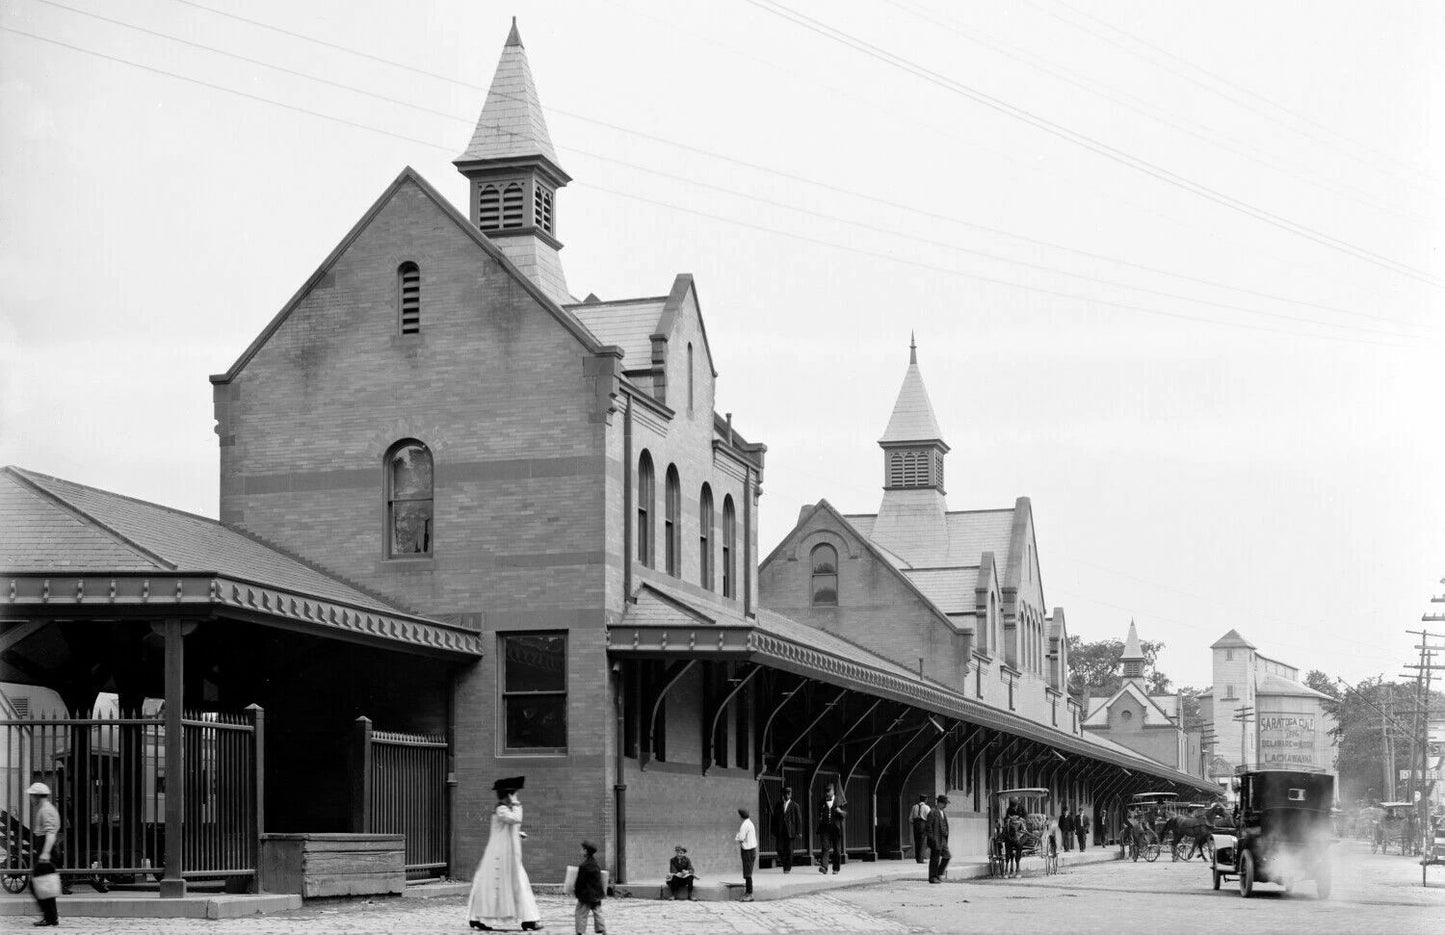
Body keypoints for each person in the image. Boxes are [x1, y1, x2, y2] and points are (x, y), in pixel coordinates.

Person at [467, 776, 544, 932]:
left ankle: (480, 918)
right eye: (514, 793)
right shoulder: (501, 809)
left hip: (506, 854)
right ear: (509, 795)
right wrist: (516, 802)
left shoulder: (504, 810)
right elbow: (516, 818)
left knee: (501, 884)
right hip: (500, 855)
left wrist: (518, 834)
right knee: (497, 884)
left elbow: (507, 828)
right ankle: (527, 920)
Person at [28, 782, 60, 928]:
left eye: (31, 795)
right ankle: (51, 917)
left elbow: (50, 833)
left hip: (46, 851)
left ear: (37, 796)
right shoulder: (45, 809)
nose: (30, 798)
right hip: (45, 850)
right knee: (45, 885)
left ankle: (50, 917)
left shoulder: (46, 810)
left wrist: (45, 853)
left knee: (37, 885)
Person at [573, 841, 605, 935]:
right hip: (596, 894)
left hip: (585, 895)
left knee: (580, 913)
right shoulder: (596, 864)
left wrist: (577, 892)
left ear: (586, 851)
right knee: (597, 912)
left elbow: (580, 882)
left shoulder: (583, 866)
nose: (580, 850)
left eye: (582, 849)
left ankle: (580, 931)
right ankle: (602, 929)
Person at [815, 785, 846, 875]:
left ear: (833, 791)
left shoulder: (839, 800)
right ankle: (824, 867)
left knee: (837, 849)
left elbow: (845, 814)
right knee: (825, 847)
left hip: (836, 829)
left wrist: (840, 812)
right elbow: (819, 812)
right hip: (825, 828)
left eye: (829, 791)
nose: (827, 793)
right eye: (826, 791)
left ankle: (836, 868)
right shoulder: (822, 801)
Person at [774, 787, 802, 873]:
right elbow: (774, 818)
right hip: (780, 830)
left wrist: (799, 831)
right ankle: (784, 863)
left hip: (790, 831)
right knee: (779, 849)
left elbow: (798, 819)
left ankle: (787, 868)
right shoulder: (778, 805)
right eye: (785, 794)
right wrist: (773, 830)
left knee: (789, 850)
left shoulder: (795, 805)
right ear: (783, 795)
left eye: (788, 794)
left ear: (790, 794)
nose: (787, 795)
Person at [925, 794, 951, 883]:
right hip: (936, 839)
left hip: (943, 839)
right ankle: (932, 877)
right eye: (944, 803)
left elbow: (944, 824)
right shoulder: (933, 812)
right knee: (935, 859)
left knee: (947, 856)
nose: (945, 806)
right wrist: (932, 839)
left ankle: (939, 873)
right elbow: (928, 827)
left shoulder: (942, 812)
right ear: (939, 803)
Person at [735, 808, 758, 901]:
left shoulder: (744, 825)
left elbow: (740, 837)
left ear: (741, 816)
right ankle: (748, 893)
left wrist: (737, 836)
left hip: (747, 850)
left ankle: (749, 893)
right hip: (752, 850)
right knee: (748, 871)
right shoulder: (750, 823)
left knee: (748, 873)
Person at [908, 795, 931, 864]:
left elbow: (910, 819)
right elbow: (930, 817)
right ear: (925, 800)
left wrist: (915, 822)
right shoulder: (926, 807)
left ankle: (917, 858)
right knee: (923, 841)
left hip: (915, 825)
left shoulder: (914, 806)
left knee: (916, 841)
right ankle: (921, 859)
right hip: (923, 824)